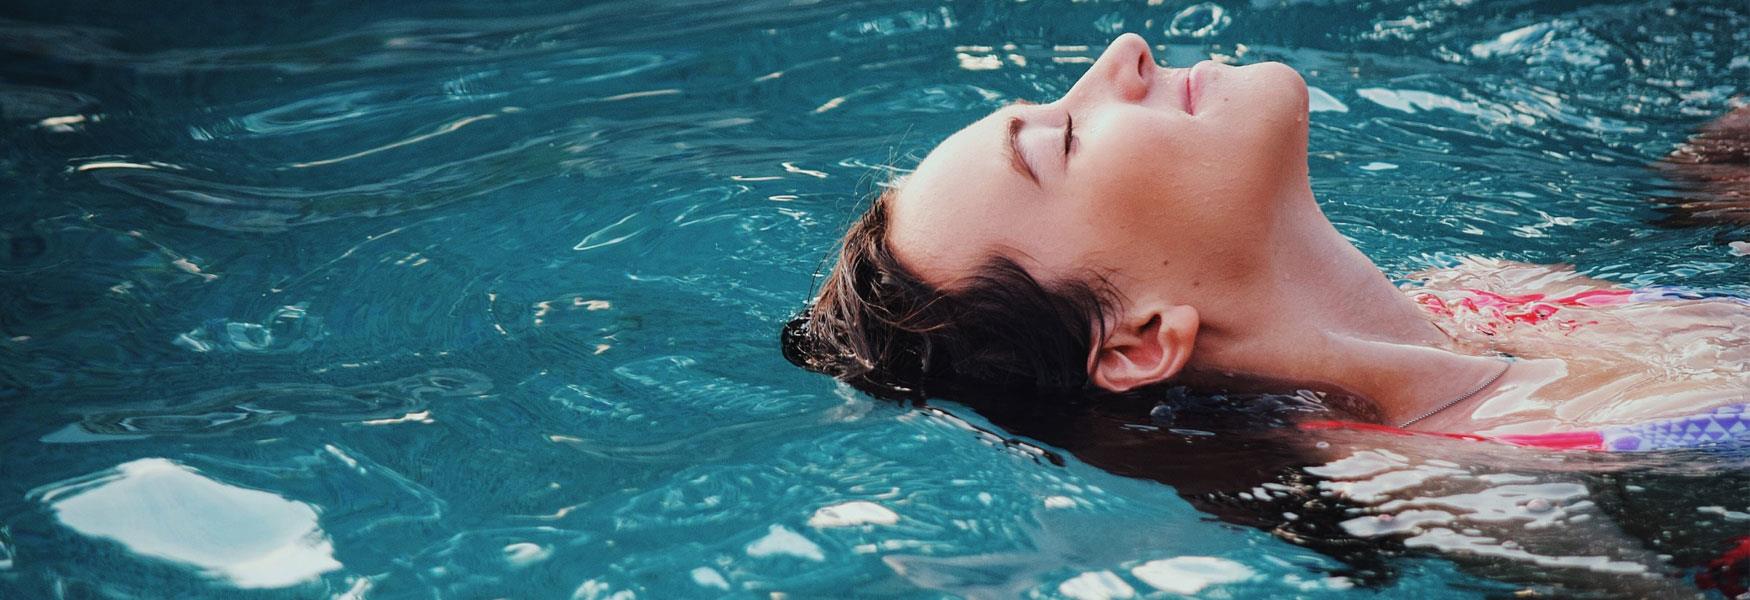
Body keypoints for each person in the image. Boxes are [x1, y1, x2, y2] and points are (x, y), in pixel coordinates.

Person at [782, 33, 1749, 440]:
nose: (1124, 53)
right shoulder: (1460, 478)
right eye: (1063, 140)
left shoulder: (1488, 290)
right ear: (1137, 339)